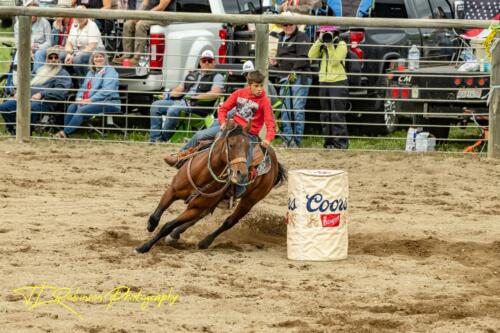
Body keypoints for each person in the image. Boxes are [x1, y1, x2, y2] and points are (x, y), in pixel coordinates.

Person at [164, 70, 276, 171]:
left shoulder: (264, 102)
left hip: (249, 135)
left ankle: (240, 188)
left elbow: (270, 123)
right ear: (249, 85)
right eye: (256, 86)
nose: (260, 89)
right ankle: (179, 157)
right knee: (199, 135)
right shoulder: (239, 93)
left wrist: (267, 139)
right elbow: (223, 109)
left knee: (244, 165)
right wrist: (222, 123)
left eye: (261, 85)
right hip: (232, 129)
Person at [149, 50, 224, 143]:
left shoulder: (217, 76)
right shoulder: (193, 74)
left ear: (214, 62)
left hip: (197, 106)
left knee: (174, 109)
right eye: (204, 60)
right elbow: (179, 89)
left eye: (209, 60)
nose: (206, 63)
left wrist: (197, 97)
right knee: (156, 105)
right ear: (200, 62)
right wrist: (168, 95)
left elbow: (215, 93)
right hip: (182, 102)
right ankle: (154, 140)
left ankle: (162, 140)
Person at [0, 48, 72, 135]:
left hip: (45, 101)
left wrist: (42, 94)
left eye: (56, 57)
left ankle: (27, 132)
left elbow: (61, 91)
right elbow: (26, 82)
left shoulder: (62, 74)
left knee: (31, 108)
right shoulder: (39, 70)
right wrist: (18, 92)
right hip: (25, 98)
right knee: (4, 107)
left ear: (59, 59)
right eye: (50, 57)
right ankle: (14, 131)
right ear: (46, 59)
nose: (53, 59)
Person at [56, 47, 120, 138]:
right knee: (72, 107)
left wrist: (90, 100)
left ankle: (65, 133)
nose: (98, 59)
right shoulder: (91, 72)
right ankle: (67, 133)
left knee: (82, 110)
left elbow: (107, 90)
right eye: (96, 57)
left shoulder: (110, 71)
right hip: (89, 101)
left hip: (108, 102)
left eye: (101, 56)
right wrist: (79, 97)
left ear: (105, 58)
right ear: (92, 60)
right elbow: (83, 87)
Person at [270, 22, 311, 148]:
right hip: (285, 78)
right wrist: (276, 63)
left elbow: (303, 58)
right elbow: (284, 59)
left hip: (299, 77)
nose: (287, 27)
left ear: (296, 25)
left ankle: (296, 142)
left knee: (297, 109)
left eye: (290, 24)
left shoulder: (302, 37)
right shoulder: (281, 37)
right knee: (285, 109)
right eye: (285, 24)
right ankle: (288, 140)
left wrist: (292, 72)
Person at [308, 25, 349, 149]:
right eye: (324, 32)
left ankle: (341, 145)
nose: (327, 34)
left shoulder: (341, 44)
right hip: (324, 82)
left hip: (338, 82)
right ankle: (329, 144)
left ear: (335, 33)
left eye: (329, 32)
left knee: (337, 114)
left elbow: (335, 61)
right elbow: (310, 56)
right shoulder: (322, 45)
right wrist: (319, 41)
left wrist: (330, 45)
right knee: (325, 114)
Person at [113, 0, 175, 66]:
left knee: (141, 25)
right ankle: (127, 55)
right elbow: (144, 3)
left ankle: (137, 58)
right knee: (128, 24)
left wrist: (144, 16)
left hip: (164, 17)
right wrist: (137, 16)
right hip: (151, 15)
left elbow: (161, 7)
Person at [63, 7, 104, 80]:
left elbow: (92, 46)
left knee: (78, 59)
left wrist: (74, 55)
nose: (80, 18)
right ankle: (69, 81)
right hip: (77, 52)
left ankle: (83, 82)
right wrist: (69, 53)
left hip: (93, 52)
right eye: (78, 15)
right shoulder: (74, 25)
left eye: (82, 15)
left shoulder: (92, 25)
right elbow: (69, 42)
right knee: (61, 56)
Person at [13, 1, 51, 66]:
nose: (33, 15)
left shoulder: (45, 23)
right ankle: (17, 73)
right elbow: (17, 43)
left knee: (39, 54)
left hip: (40, 49)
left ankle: (37, 74)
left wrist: (38, 47)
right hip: (24, 48)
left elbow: (49, 42)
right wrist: (29, 49)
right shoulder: (18, 24)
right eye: (31, 12)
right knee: (20, 54)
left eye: (35, 12)